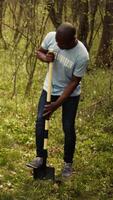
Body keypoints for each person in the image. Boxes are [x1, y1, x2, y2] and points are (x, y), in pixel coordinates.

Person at [26, 22, 89, 177]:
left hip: (70, 95)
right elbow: (39, 52)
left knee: (68, 127)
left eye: (62, 44)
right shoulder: (51, 37)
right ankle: (40, 157)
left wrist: (56, 104)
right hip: (49, 88)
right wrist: (45, 58)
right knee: (41, 121)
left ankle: (68, 163)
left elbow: (74, 82)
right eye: (57, 43)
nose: (58, 46)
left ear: (73, 39)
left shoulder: (82, 55)